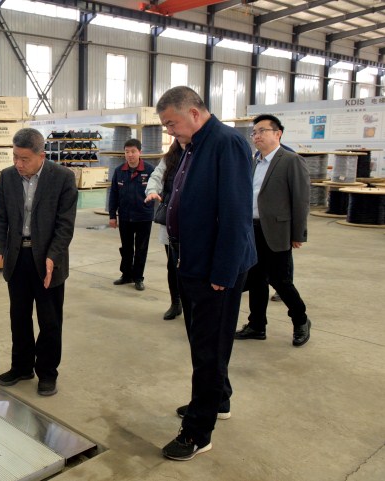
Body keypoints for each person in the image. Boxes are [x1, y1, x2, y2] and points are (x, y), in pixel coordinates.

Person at [156, 86, 257, 461]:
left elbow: (236, 213)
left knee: (209, 351)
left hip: (215, 269)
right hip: (192, 261)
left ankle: (198, 432)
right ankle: (217, 399)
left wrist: (223, 272)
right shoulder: (193, 144)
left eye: (172, 123)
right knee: (203, 344)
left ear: (194, 113)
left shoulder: (226, 143)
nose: (169, 131)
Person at [0, 128, 77, 397]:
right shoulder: (7, 177)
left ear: (41, 156)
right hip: (18, 258)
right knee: (19, 316)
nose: (18, 164)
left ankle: (47, 373)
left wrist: (53, 256)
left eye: (24, 159)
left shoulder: (62, 178)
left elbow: (65, 225)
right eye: (15, 157)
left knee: (50, 321)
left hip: (48, 260)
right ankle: (22, 367)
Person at [235, 114, 312, 347]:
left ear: (278, 134)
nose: (256, 136)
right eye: (254, 132)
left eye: (262, 131)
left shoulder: (290, 160)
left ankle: (301, 320)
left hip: (277, 231)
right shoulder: (253, 162)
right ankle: (257, 325)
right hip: (252, 230)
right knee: (256, 280)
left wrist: (298, 234)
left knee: (280, 280)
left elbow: (301, 200)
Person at [108, 138, 155, 291]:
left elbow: (156, 190)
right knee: (127, 248)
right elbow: (114, 194)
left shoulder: (149, 170)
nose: (130, 155)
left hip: (143, 217)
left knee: (141, 249)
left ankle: (138, 278)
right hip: (125, 217)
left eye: (133, 151)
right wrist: (112, 216)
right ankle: (126, 274)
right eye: (127, 152)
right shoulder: (119, 171)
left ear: (140, 152)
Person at [144, 141, 184, 319]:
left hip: (195, 220)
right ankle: (176, 302)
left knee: (192, 266)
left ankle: (192, 303)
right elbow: (156, 176)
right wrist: (152, 191)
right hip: (171, 218)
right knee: (172, 264)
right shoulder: (170, 158)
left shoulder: (202, 155)